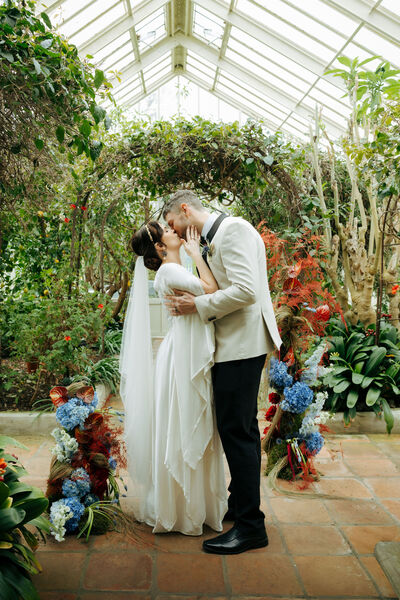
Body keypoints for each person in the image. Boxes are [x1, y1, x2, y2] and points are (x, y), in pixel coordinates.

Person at [163, 189, 282, 554]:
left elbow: (246, 291)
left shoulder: (234, 231)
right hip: (232, 346)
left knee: (238, 431)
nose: (174, 232)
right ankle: (239, 506)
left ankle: (250, 527)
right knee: (236, 427)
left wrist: (198, 304)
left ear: (185, 211)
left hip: (242, 346)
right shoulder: (213, 238)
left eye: (172, 224)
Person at [119, 220, 227, 535]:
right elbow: (212, 291)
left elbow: (202, 299)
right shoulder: (169, 271)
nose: (173, 230)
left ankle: (191, 507)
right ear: (159, 247)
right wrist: (197, 253)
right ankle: (185, 511)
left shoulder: (172, 270)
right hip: (182, 355)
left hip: (182, 352)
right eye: (165, 231)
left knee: (186, 424)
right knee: (185, 424)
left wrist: (192, 257)